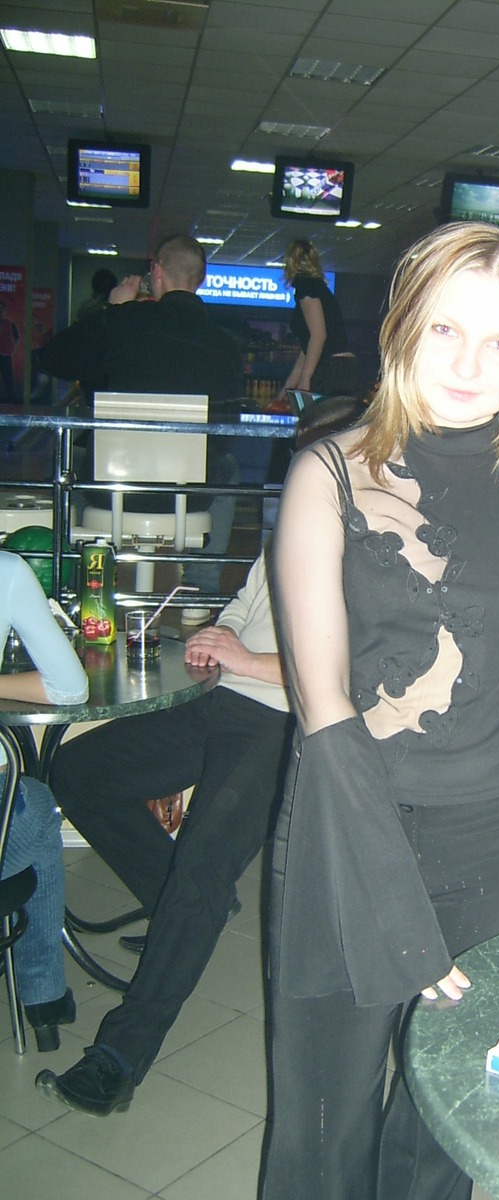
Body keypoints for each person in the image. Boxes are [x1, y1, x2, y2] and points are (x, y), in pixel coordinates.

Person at [259, 221, 499, 1200]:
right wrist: (393, 905)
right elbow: (322, 700)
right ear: (403, 329)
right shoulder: (330, 472)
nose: (470, 365)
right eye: (446, 330)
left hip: (497, 842)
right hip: (347, 837)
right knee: (323, 1128)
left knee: (452, 1126)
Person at [35, 552, 293, 1115]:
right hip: (218, 696)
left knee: (201, 868)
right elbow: (246, 603)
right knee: (78, 773)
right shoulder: (292, 531)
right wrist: (219, 636)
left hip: (280, 719)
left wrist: (247, 659)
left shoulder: (368, 546)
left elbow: (355, 670)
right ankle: (179, 905)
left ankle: (118, 1060)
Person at [36, 234, 243, 593]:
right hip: (190, 493)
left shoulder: (122, 321)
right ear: (202, 279)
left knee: (70, 458)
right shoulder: (226, 344)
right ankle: (199, 590)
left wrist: (112, 310)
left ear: (156, 271)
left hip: (111, 488)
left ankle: (84, 579)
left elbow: (53, 358)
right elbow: (226, 433)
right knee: (228, 467)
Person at [0, 551, 88, 1050]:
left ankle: (44, 996)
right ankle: (42, 998)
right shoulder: (7, 572)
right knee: (36, 806)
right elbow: (69, 689)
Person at [277, 238, 358, 402]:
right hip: (343, 367)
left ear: (290, 262)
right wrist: (288, 388)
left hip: (332, 368)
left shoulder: (305, 286)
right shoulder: (319, 287)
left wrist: (305, 381)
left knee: (319, 418)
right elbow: (308, 349)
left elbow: (318, 336)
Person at [0, 298, 21, 402]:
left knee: (8, 378)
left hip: (5, 356)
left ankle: (12, 400)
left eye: (1, 309)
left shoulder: (10, 324)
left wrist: (11, 350)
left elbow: (17, 338)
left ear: (5, 311)